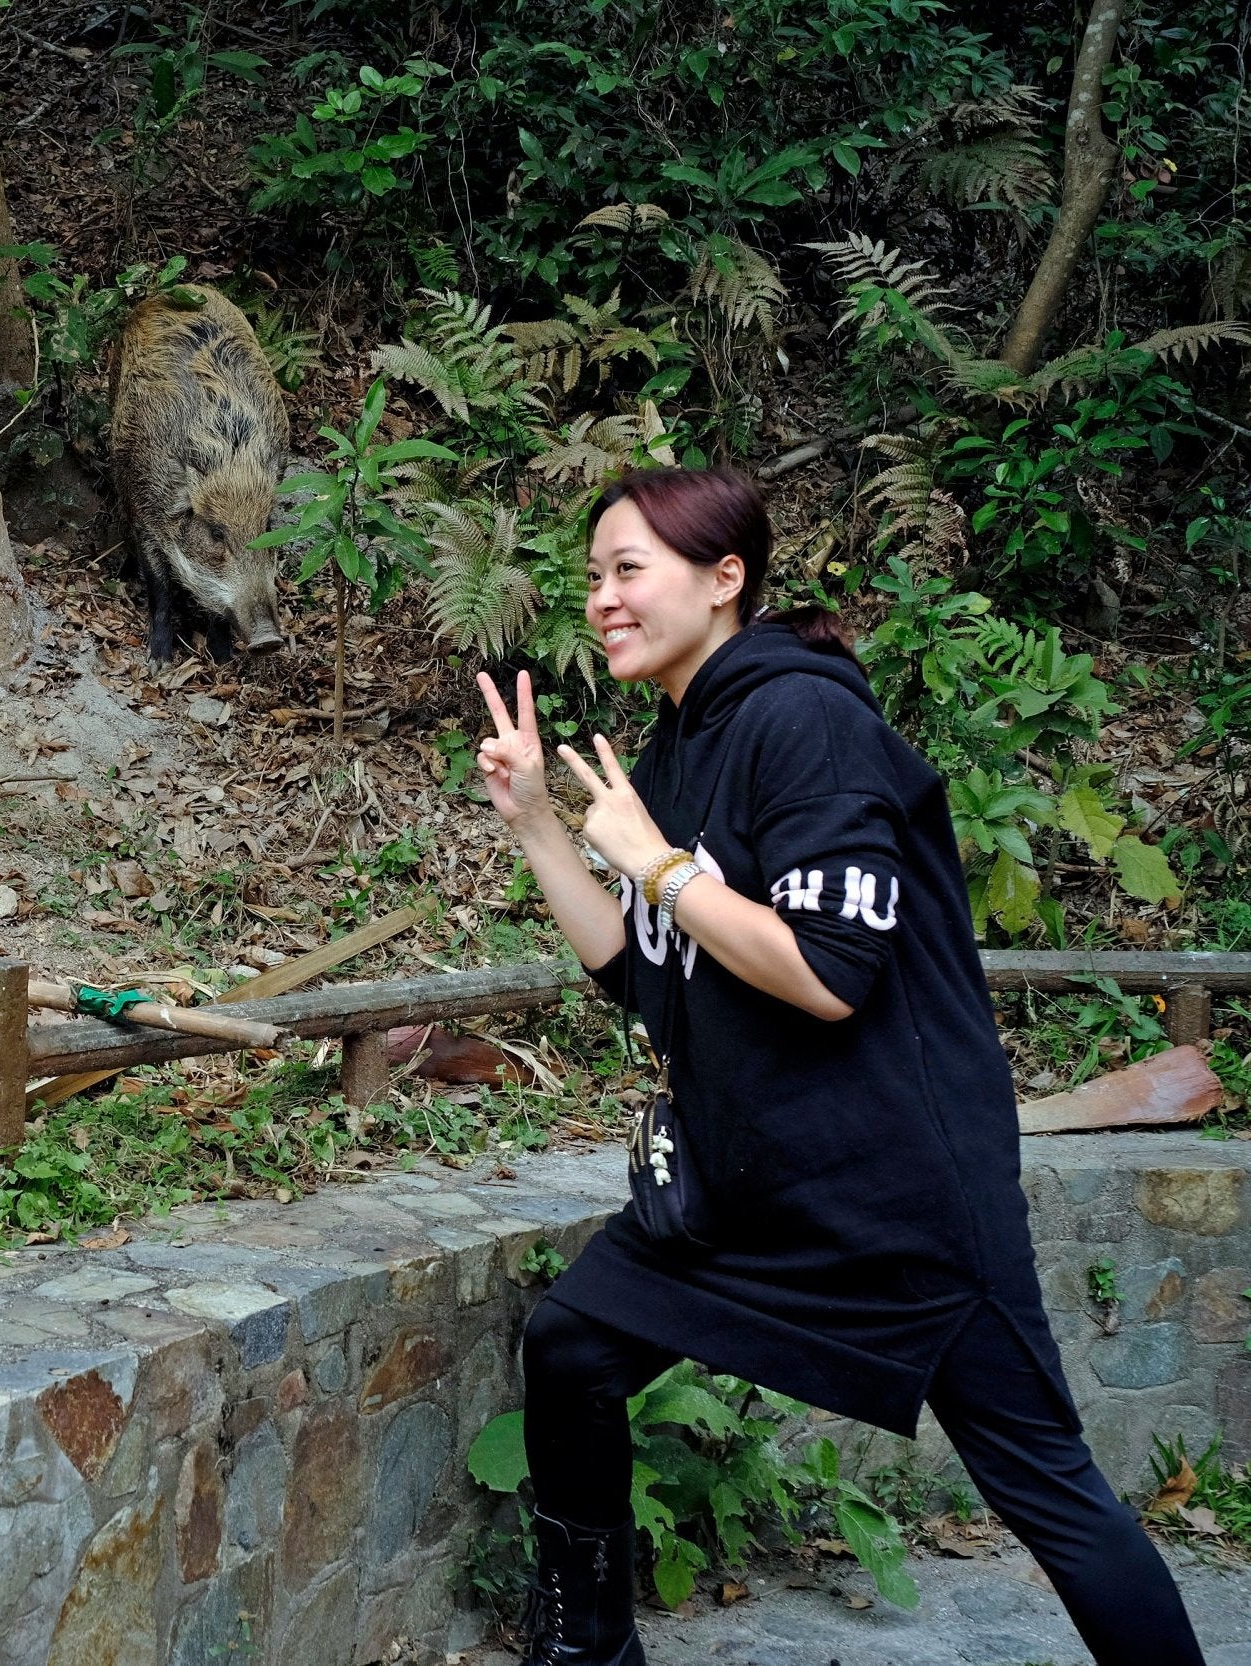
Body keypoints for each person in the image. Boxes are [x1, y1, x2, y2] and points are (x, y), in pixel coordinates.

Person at [475, 466, 1205, 1666]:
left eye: (628, 569)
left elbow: (828, 970)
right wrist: (544, 829)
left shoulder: (803, 722)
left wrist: (659, 865)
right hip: (751, 1191)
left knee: (1045, 1488)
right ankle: (586, 1652)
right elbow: (640, 969)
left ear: (725, 579)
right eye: (592, 576)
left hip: (895, 1198)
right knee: (573, 1343)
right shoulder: (677, 747)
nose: (601, 599)